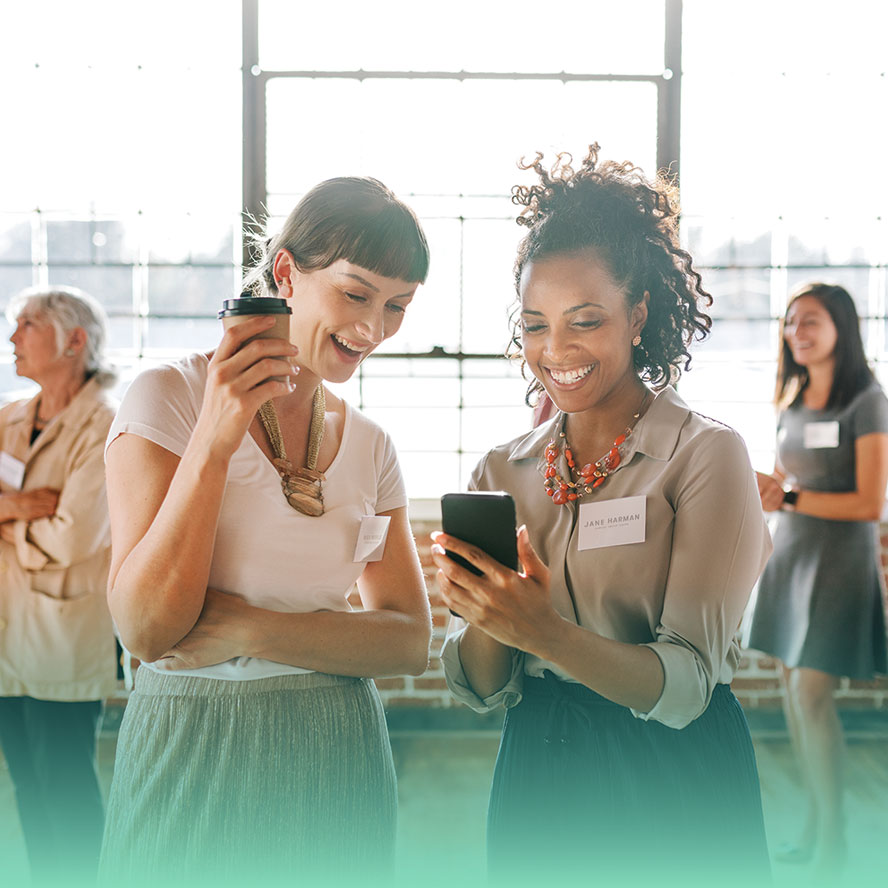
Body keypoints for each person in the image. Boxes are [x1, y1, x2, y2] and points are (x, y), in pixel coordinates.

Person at [433, 145, 773, 887]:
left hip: (671, 775)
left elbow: (687, 684)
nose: (556, 351)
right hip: (537, 771)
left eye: (584, 320)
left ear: (638, 313)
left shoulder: (705, 455)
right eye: (534, 325)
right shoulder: (501, 470)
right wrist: (493, 617)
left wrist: (543, 632)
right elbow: (480, 687)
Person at [98, 177, 433, 887]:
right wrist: (216, 439)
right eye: (356, 293)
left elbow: (407, 638)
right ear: (286, 272)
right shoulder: (169, 397)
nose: (374, 329)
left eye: (397, 306)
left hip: (338, 745)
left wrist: (248, 629)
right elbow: (148, 629)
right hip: (192, 739)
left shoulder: (371, 445)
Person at [746, 283, 888, 881]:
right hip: (792, 555)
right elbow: (785, 480)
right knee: (792, 697)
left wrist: (793, 496)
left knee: (811, 696)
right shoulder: (793, 394)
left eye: (811, 321)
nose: (796, 331)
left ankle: (836, 839)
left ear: (841, 329)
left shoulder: (867, 401)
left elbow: (869, 503)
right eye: (790, 322)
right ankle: (814, 821)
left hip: (839, 563)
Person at [0, 286, 118, 885]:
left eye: (27, 324)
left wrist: (5, 518)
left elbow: (75, 538)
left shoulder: (105, 426)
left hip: (63, 633)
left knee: (65, 786)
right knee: (25, 785)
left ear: (75, 340)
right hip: (7, 638)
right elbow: (45, 521)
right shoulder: (8, 416)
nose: (12, 336)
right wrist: (22, 506)